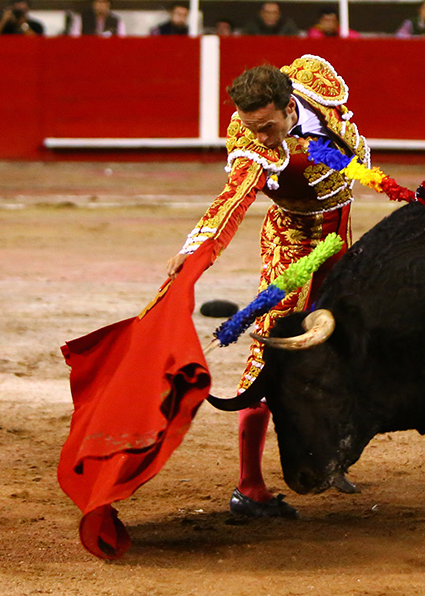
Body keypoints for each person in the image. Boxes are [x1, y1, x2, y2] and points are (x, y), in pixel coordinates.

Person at [166, 56, 371, 518]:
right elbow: (230, 203)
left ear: (288, 105)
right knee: (271, 350)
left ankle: (329, 455)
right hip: (293, 241)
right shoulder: (251, 142)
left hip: (339, 236)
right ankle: (249, 486)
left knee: (343, 341)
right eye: (249, 126)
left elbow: (356, 161)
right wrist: (194, 255)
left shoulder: (316, 85)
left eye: (266, 125)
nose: (258, 136)